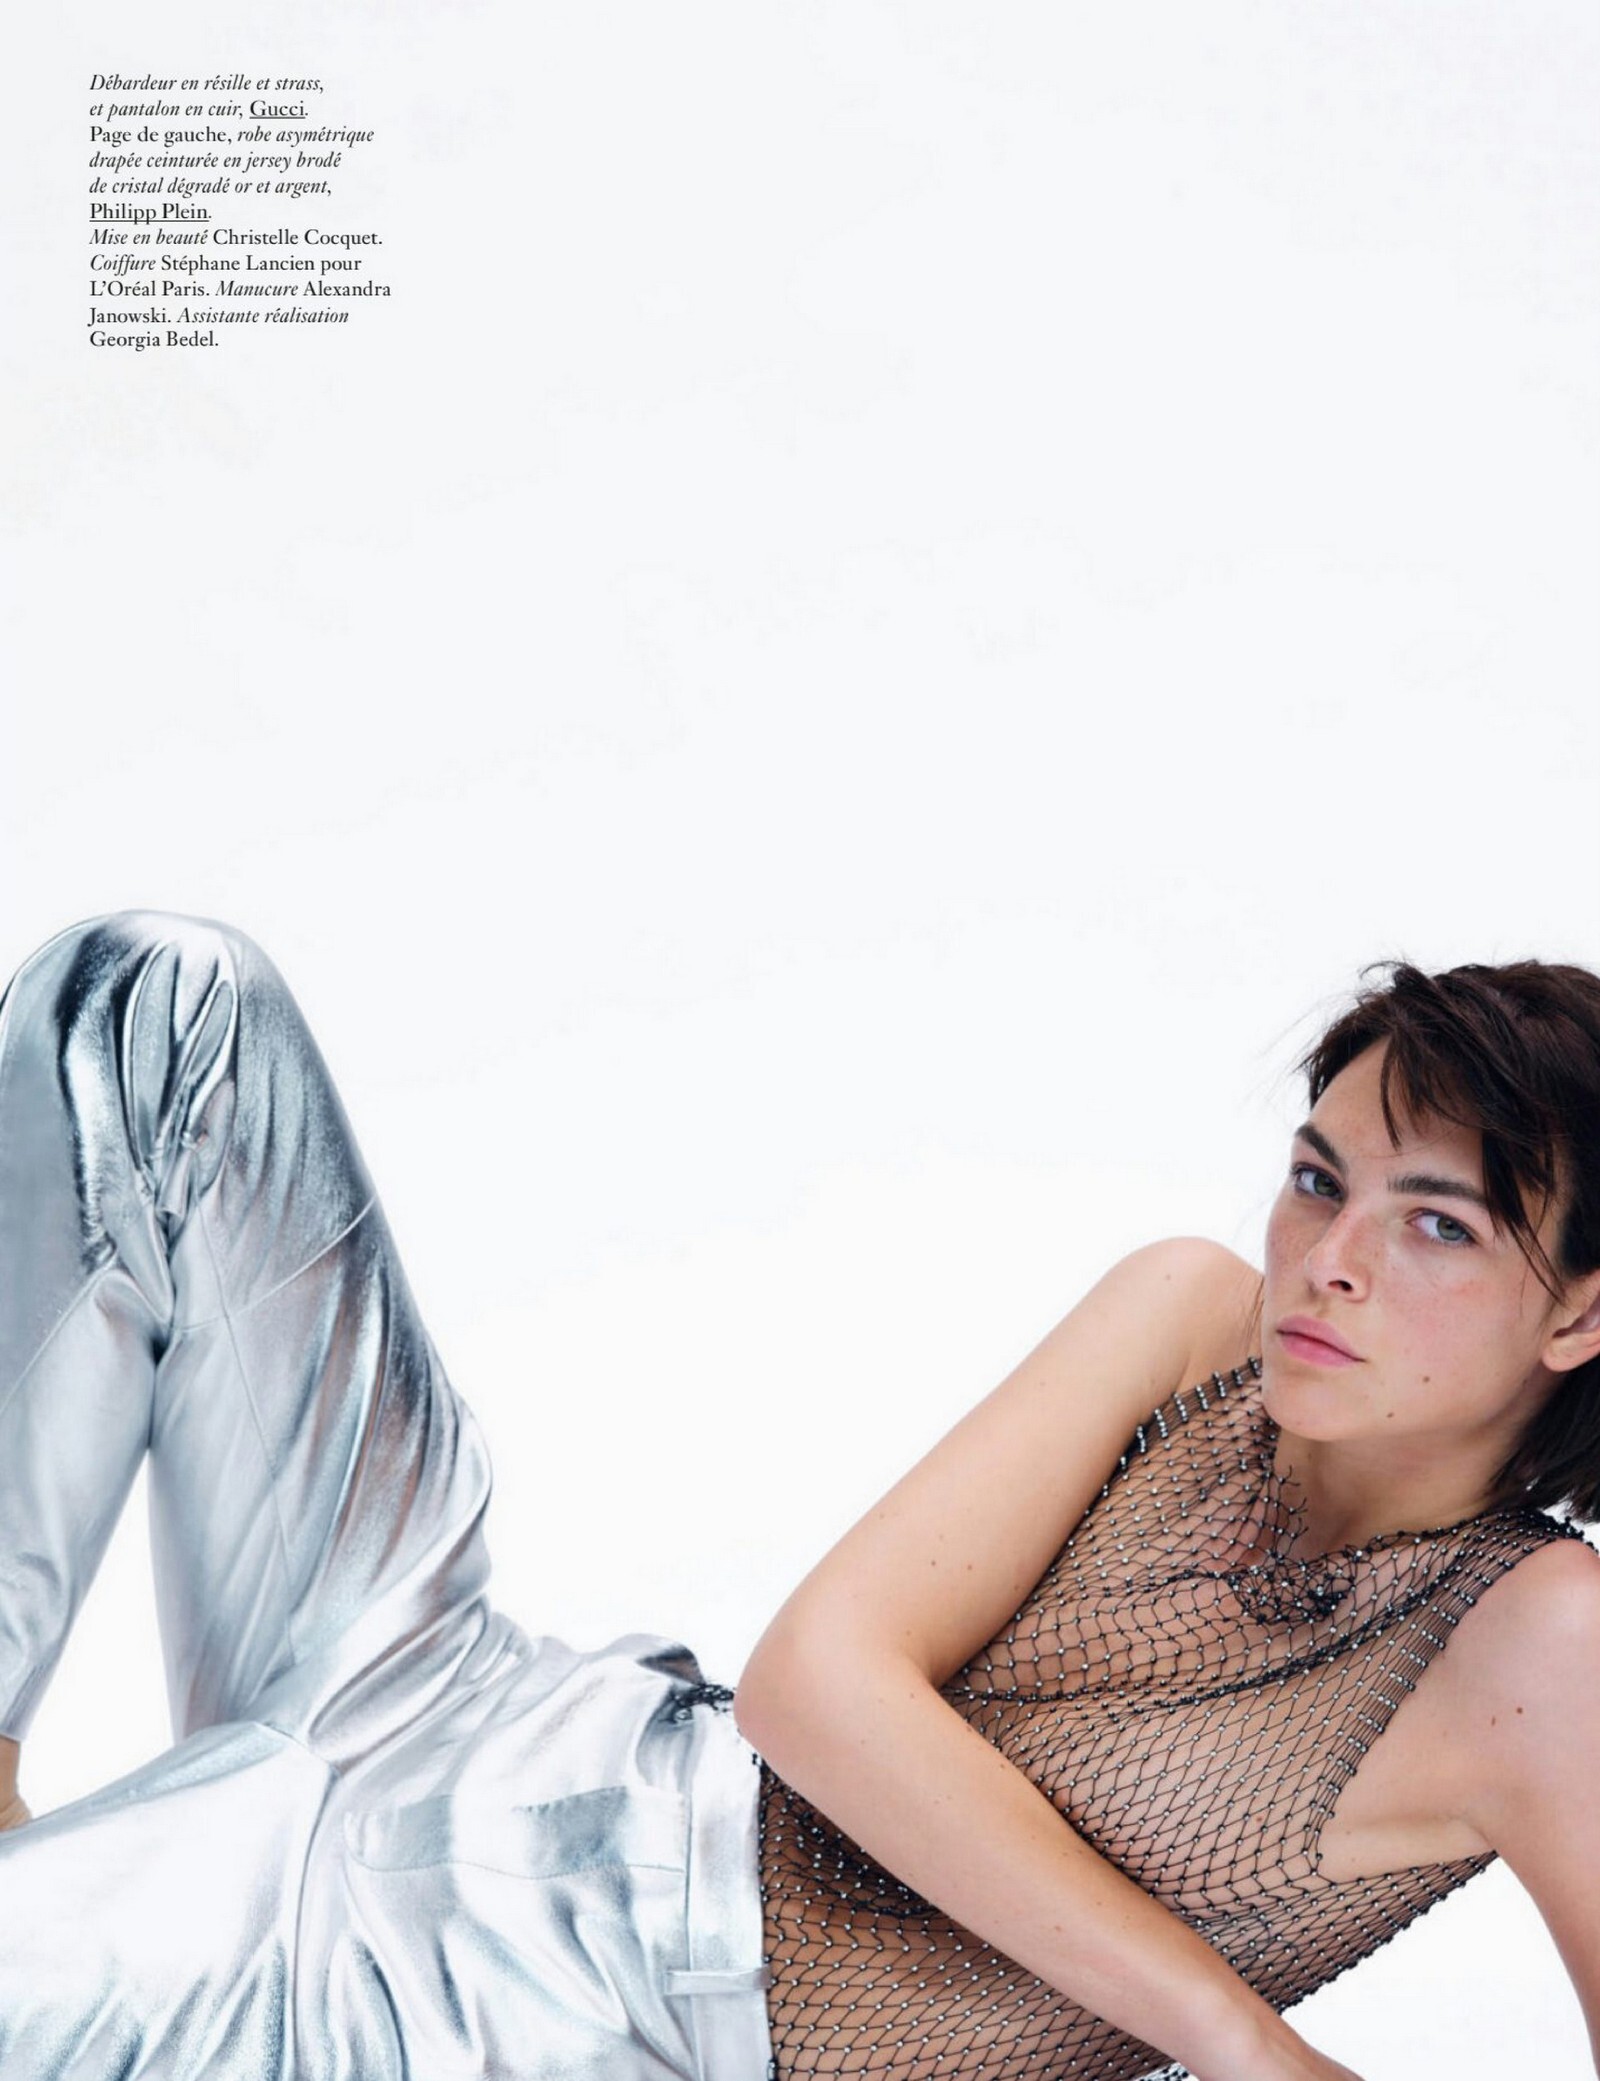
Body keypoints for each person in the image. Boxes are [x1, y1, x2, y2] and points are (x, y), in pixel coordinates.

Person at [0, 913, 1596, 2081]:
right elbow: (815, 1682)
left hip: (556, 2002)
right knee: (153, 999)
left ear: (1583, 1310)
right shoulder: (1193, 1320)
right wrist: (1239, 2040)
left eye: (1438, 1224)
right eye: (1318, 1179)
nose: (1330, 1258)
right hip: (490, 1710)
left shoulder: (1544, 1645)